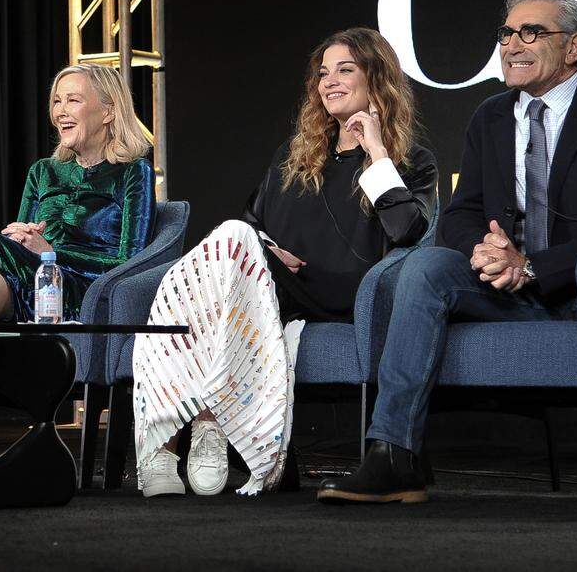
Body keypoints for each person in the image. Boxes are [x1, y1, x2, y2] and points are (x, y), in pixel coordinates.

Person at [318, 0, 577, 521]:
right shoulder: (491, 117)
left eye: (531, 32)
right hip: (512, 289)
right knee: (426, 266)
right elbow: (460, 215)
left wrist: (535, 266)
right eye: (506, 33)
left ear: (573, 47)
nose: (511, 45)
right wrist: (486, 252)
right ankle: (394, 456)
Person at [133, 28, 437, 497]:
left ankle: (193, 429)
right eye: (323, 73)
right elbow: (251, 225)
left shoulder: (411, 161)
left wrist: (376, 151)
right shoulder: (294, 157)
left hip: (349, 293)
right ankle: (190, 436)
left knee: (223, 251)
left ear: (377, 79)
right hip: (277, 289)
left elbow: (407, 232)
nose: (329, 81)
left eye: (345, 70)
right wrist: (268, 250)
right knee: (221, 252)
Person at [0, 63, 155, 466]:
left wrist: (50, 252)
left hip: (82, 291)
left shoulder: (132, 173)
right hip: (27, 282)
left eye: (73, 100)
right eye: (57, 101)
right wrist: (20, 241)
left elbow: (128, 261)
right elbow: (17, 248)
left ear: (108, 110)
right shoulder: (43, 171)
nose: (60, 111)